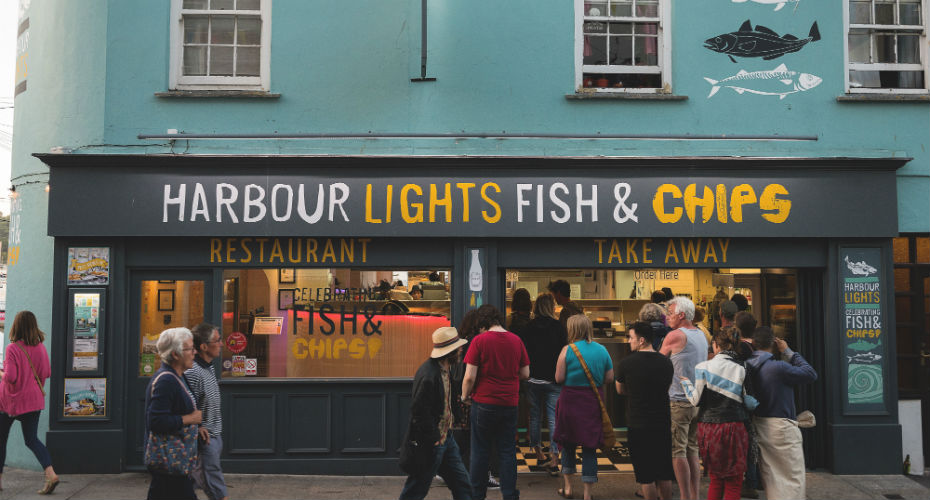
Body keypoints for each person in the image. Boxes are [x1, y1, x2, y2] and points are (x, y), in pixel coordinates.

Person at [679, 327, 756, 500]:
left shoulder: (703, 367)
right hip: (735, 427)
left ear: (715, 345)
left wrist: (686, 384)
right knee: (734, 481)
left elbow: (695, 400)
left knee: (716, 479)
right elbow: (750, 403)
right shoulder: (742, 367)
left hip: (709, 429)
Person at [462, 305, 529, 500]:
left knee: (480, 451)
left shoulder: (479, 341)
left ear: (483, 324)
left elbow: (469, 377)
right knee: (507, 451)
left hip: (483, 402)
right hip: (509, 403)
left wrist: (464, 396)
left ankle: (477, 495)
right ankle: (509, 495)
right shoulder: (516, 340)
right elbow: (525, 373)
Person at [399, 327, 472, 500]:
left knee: (463, 486)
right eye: (458, 348)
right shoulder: (429, 375)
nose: (461, 350)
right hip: (432, 443)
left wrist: (457, 418)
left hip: (447, 439)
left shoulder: (445, 370)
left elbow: (448, 398)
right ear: (450, 352)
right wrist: (435, 439)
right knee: (416, 489)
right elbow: (419, 413)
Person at [747, 327, 817, 500]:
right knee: (792, 476)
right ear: (773, 343)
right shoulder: (778, 368)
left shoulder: (747, 366)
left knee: (771, 477)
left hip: (760, 425)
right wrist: (788, 352)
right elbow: (810, 374)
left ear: (754, 343)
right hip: (782, 426)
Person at [553, 315, 613, 500]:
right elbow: (609, 378)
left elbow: (559, 378)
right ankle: (587, 494)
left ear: (571, 329)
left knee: (568, 444)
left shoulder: (567, 350)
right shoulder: (602, 350)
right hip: (592, 402)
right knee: (589, 447)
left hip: (570, 402)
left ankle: (569, 488)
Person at [0, 311, 59, 495]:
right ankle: (51, 474)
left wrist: (0, 373)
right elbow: (46, 373)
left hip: (9, 402)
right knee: (32, 439)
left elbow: (11, 377)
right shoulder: (40, 347)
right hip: (33, 400)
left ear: (16, 326)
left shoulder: (12, 348)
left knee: (1, 440)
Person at [615, 322, 674, 500]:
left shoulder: (626, 363)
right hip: (662, 422)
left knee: (645, 474)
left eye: (631, 337)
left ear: (641, 340)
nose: (628, 341)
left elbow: (620, 390)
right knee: (664, 472)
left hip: (638, 423)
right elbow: (667, 387)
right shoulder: (666, 363)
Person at [145, 327, 203, 500]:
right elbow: (156, 421)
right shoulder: (166, 380)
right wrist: (190, 419)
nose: (194, 352)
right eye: (189, 349)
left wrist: (197, 427)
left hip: (175, 462)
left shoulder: (178, 376)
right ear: (175, 354)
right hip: (170, 461)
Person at [659, 296, 707, 500]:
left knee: (677, 450)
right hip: (697, 400)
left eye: (670, 313)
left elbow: (658, 363)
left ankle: (686, 496)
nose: (667, 317)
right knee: (692, 449)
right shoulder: (702, 334)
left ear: (681, 315)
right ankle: (694, 496)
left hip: (679, 400)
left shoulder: (675, 336)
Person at [519, 294, 566, 473]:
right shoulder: (558, 327)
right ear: (551, 307)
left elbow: (523, 353)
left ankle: (539, 454)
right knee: (554, 418)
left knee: (535, 417)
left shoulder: (528, 327)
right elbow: (564, 351)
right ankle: (554, 460)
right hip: (553, 379)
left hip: (532, 378)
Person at [184, 323, 228, 500]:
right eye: (218, 340)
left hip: (214, 434)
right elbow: (186, 402)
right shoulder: (193, 371)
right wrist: (198, 426)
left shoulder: (208, 367)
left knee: (193, 482)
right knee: (214, 482)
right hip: (205, 438)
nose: (222, 344)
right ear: (203, 346)